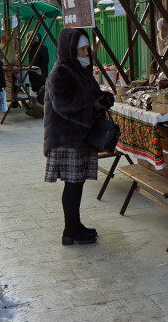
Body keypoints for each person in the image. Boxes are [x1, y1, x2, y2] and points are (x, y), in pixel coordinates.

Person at [43, 28, 114, 246]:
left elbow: (85, 94)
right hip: (67, 139)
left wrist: (101, 98)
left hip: (78, 137)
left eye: (87, 49)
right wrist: (90, 104)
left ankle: (74, 225)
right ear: (71, 50)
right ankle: (70, 229)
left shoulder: (80, 70)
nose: (86, 53)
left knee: (77, 183)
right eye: (82, 49)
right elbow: (63, 105)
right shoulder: (60, 72)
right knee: (73, 184)